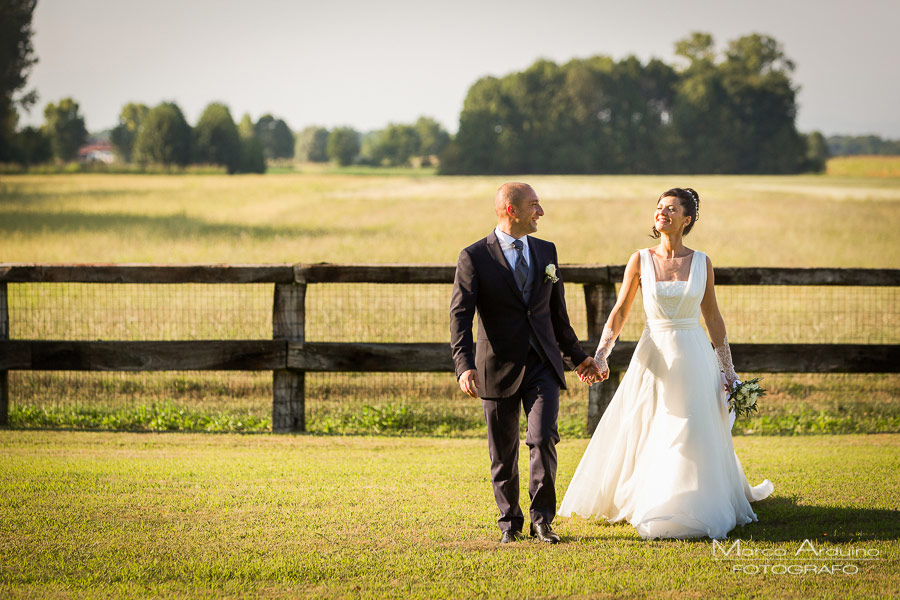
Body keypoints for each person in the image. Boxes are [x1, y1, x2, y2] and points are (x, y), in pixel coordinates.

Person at [558, 187, 773, 540]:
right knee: (652, 424)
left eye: (671, 209)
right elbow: (621, 311)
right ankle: (654, 498)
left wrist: (729, 371)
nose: (663, 213)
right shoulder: (639, 259)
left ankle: (695, 501)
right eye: (659, 208)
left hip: (694, 355)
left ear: (686, 220)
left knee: (690, 427)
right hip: (653, 354)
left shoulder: (702, 261)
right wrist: (600, 356)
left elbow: (713, 318)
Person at [450, 182, 601, 544]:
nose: (541, 212)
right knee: (503, 452)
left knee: (544, 437)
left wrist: (578, 357)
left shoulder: (547, 250)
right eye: (534, 205)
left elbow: (557, 315)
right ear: (510, 210)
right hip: (495, 367)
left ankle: (542, 521)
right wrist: (463, 365)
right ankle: (509, 523)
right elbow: (460, 315)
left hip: (543, 366)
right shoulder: (474, 256)